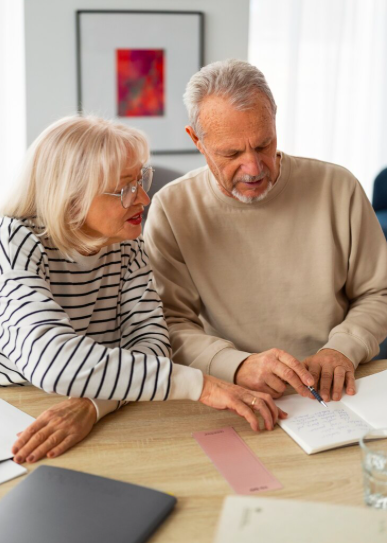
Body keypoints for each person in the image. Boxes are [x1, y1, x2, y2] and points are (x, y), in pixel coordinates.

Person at [0, 115, 286, 463]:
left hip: (96, 402)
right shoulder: (14, 241)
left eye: (141, 180)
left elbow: (152, 347)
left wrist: (92, 405)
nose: (144, 198)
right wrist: (202, 386)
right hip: (17, 409)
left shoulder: (124, 242)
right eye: (124, 188)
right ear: (72, 198)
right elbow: (54, 363)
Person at [144, 59, 387, 405]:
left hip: (336, 383)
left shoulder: (339, 187)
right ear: (196, 140)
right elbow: (169, 322)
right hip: (229, 390)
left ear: (274, 122)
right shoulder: (172, 207)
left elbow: (379, 292)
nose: (254, 168)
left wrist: (342, 348)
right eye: (231, 153)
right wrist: (238, 365)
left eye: (263, 144)